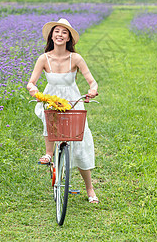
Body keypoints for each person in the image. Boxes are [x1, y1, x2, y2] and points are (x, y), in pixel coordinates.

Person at [27, 18, 99, 203]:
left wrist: (92, 90)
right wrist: (33, 90)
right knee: (48, 121)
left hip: (73, 100)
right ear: (51, 35)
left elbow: (91, 80)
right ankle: (49, 154)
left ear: (69, 38)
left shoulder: (75, 58)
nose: (60, 35)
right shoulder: (44, 58)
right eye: (56, 31)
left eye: (64, 32)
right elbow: (31, 82)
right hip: (51, 98)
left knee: (80, 144)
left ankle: (90, 189)